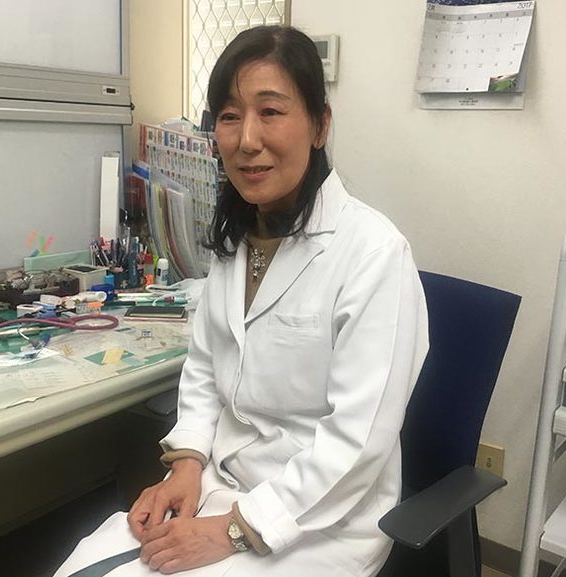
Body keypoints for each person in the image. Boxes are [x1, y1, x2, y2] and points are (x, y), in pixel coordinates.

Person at [54, 25, 429, 577]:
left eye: (271, 111)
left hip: (319, 520)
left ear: (320, 125)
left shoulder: (374, 254)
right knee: (80, 569)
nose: (247, 139)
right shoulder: (238, 242)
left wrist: (234, 529)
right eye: (230, 116)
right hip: (222, 484)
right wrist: (186, 464)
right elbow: (206, 369)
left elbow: (357, 444)